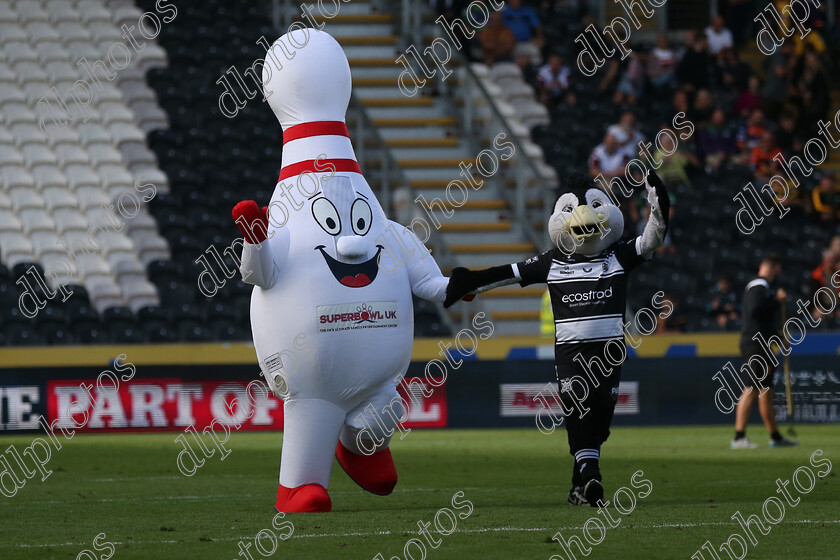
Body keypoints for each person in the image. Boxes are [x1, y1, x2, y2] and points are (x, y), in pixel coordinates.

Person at [732, 254, 797, 449]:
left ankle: (775, 437)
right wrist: (777, 300)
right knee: (751, 388)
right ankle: (739, 437)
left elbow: (762, 322)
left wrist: (778, 338)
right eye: (778, 270)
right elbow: (755, 311)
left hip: (762, 345)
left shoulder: (764, 288)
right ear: (773, 267)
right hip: (755, 345)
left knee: (766, 391)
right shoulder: (758, 286)